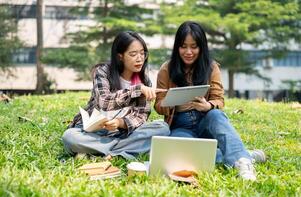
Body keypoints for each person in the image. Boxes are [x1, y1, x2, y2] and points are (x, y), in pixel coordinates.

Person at [154, 21, 266, 181]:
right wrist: (169, 103)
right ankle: (244, 154)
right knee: (186, 156)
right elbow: (158, 105)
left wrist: (208, 106)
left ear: (202, 47)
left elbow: (219, 99)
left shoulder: (211, 67)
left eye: (194, 47)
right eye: (183, 46)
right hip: (181, 126)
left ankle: (243, 163)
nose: (188, 52)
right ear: (177, 47)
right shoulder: (167, 69)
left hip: (205, 121)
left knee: (216, 115)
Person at [62, 31, 170, 160]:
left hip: (122, 133)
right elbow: (105, 102)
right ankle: (123, 151)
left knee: (162, 128)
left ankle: (102, 152)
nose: (140, 58)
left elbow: (142, 116)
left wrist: (120, 123)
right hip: (94, 131)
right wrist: (137, 90)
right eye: (133, 54)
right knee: (70, 137)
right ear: (120, 56)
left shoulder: (144, 81)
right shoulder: (103, 72)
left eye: (142, 53)